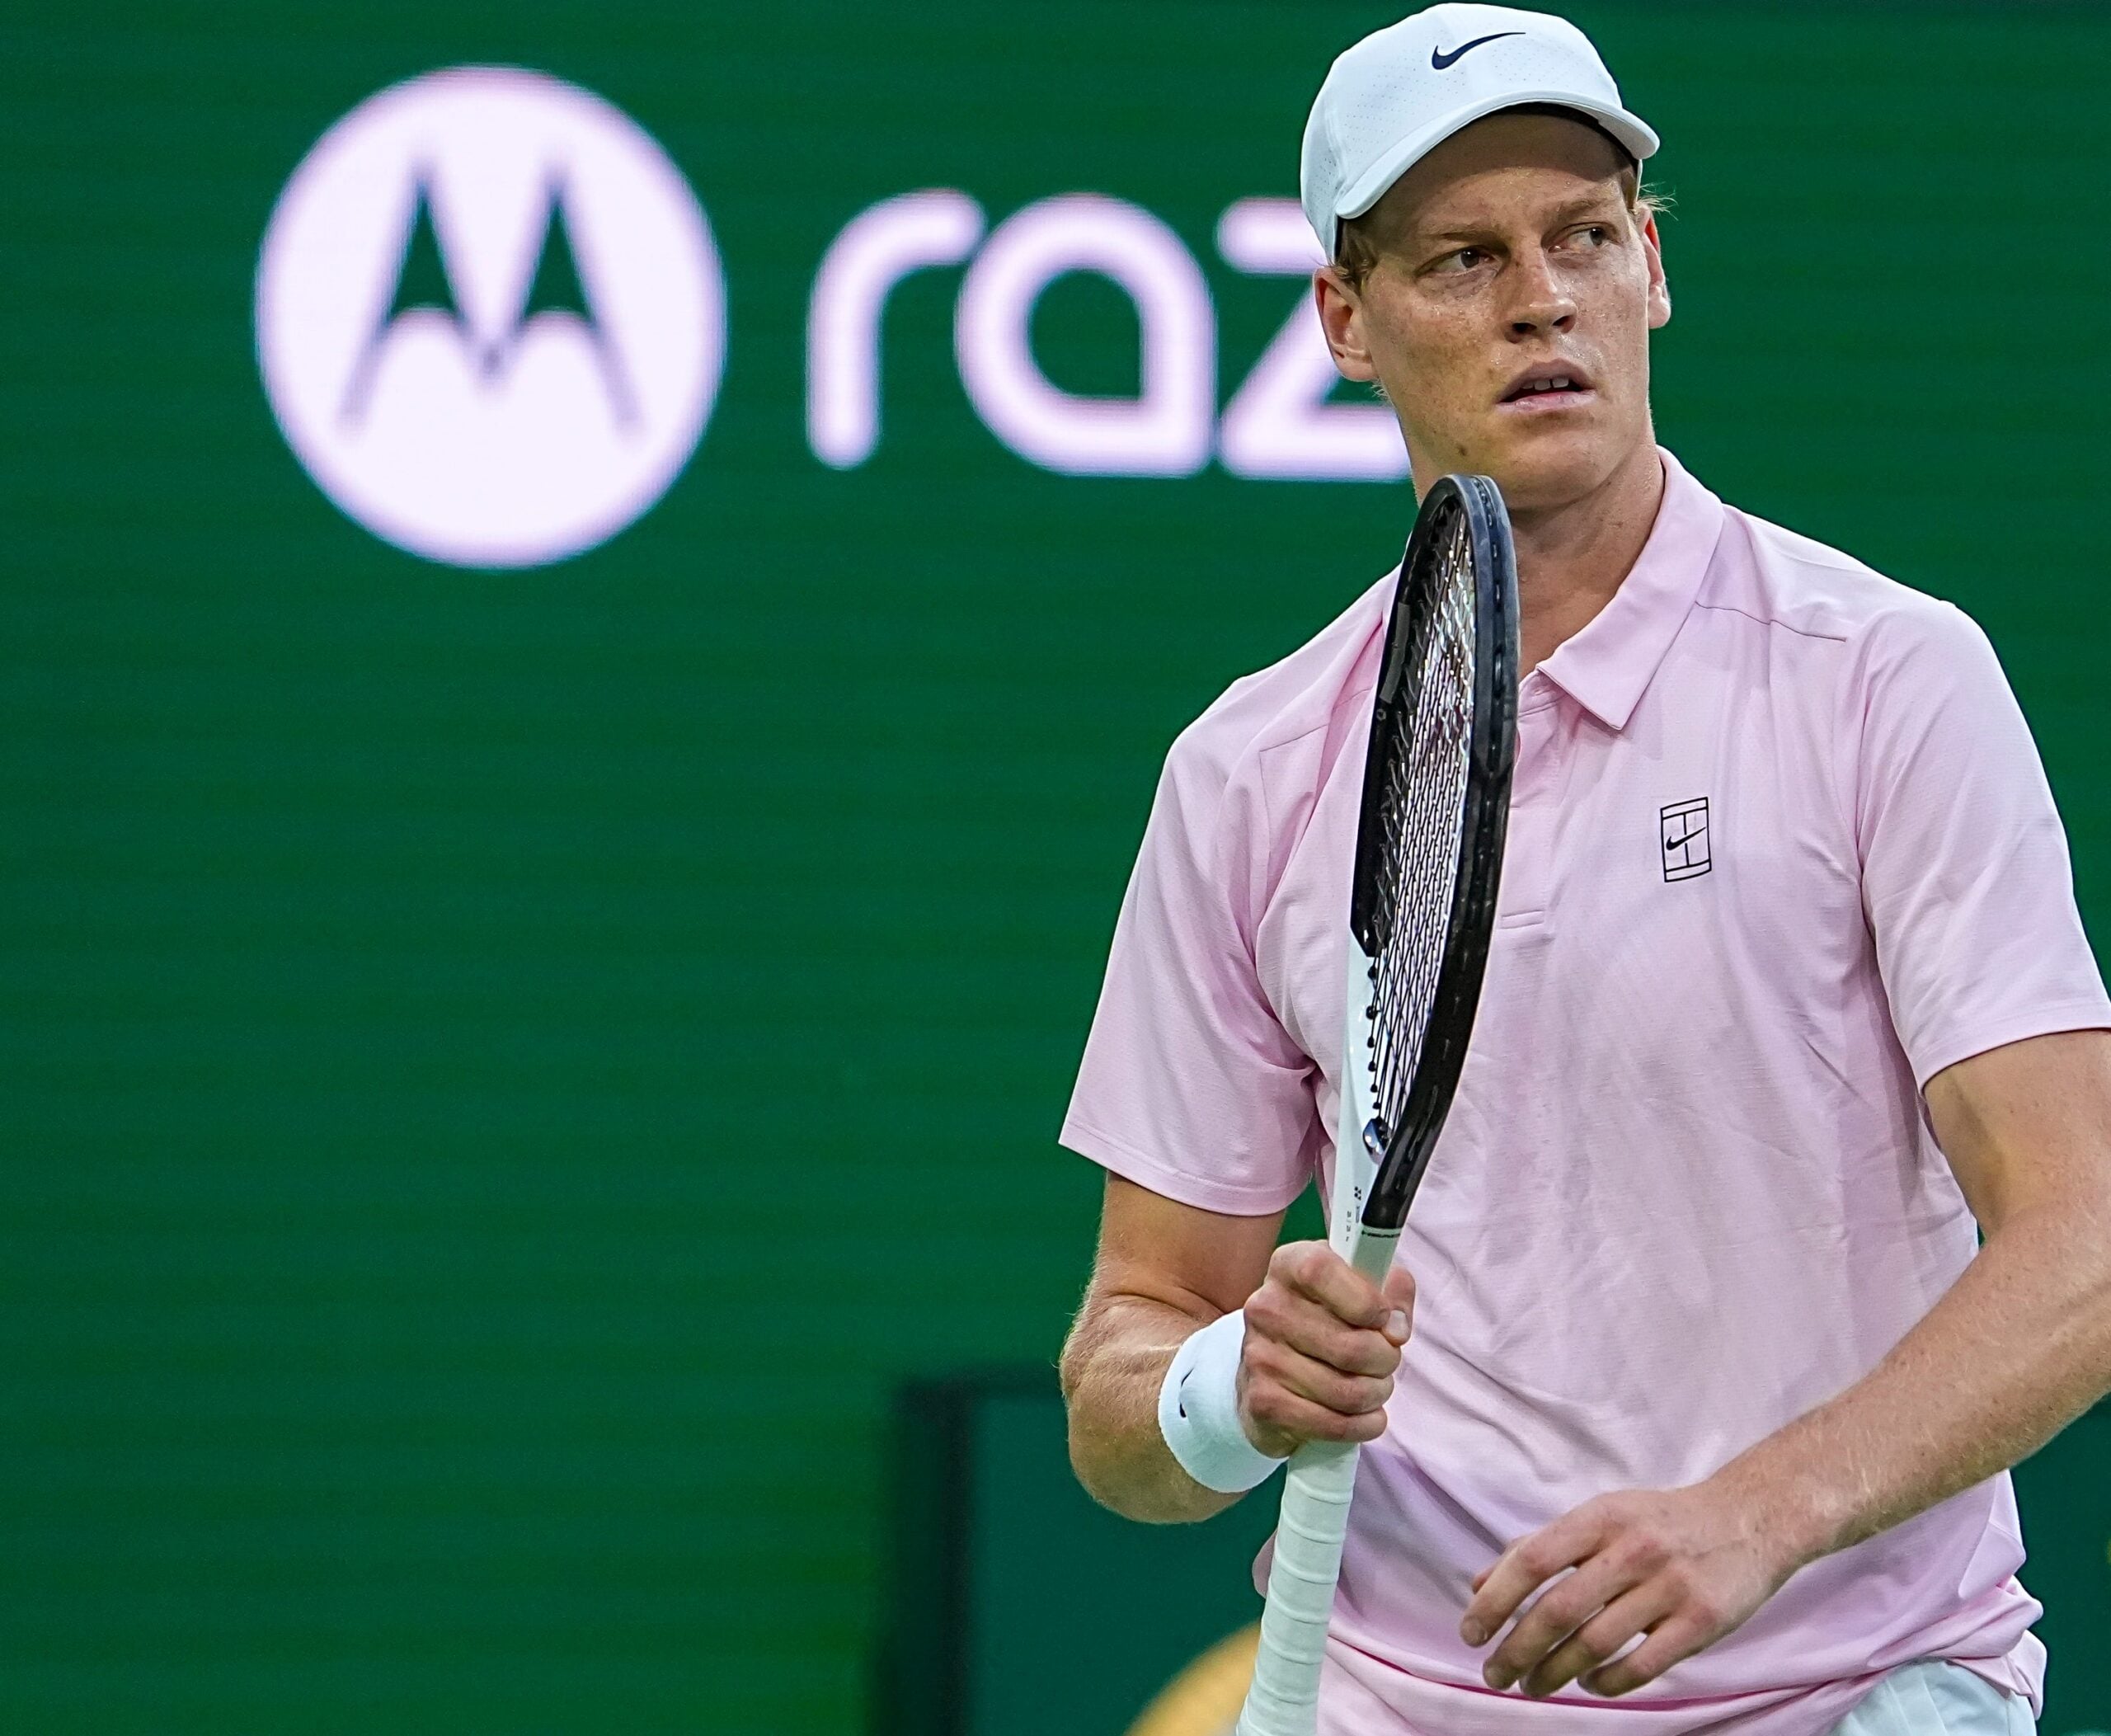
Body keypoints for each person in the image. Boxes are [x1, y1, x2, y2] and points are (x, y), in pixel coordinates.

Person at [1055, 7, 2111, 1734]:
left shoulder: (1882, 676)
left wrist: (1754, 1518)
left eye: (1582, 237)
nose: (1539, 297)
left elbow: (2073, 1232)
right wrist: (1223, 1392)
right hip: (1393, 1696)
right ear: (1344, 319)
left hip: (1848, 1689)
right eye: (1461, 258)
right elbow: (1124, 1371)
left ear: (1649, 275)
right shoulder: (1245, 773)